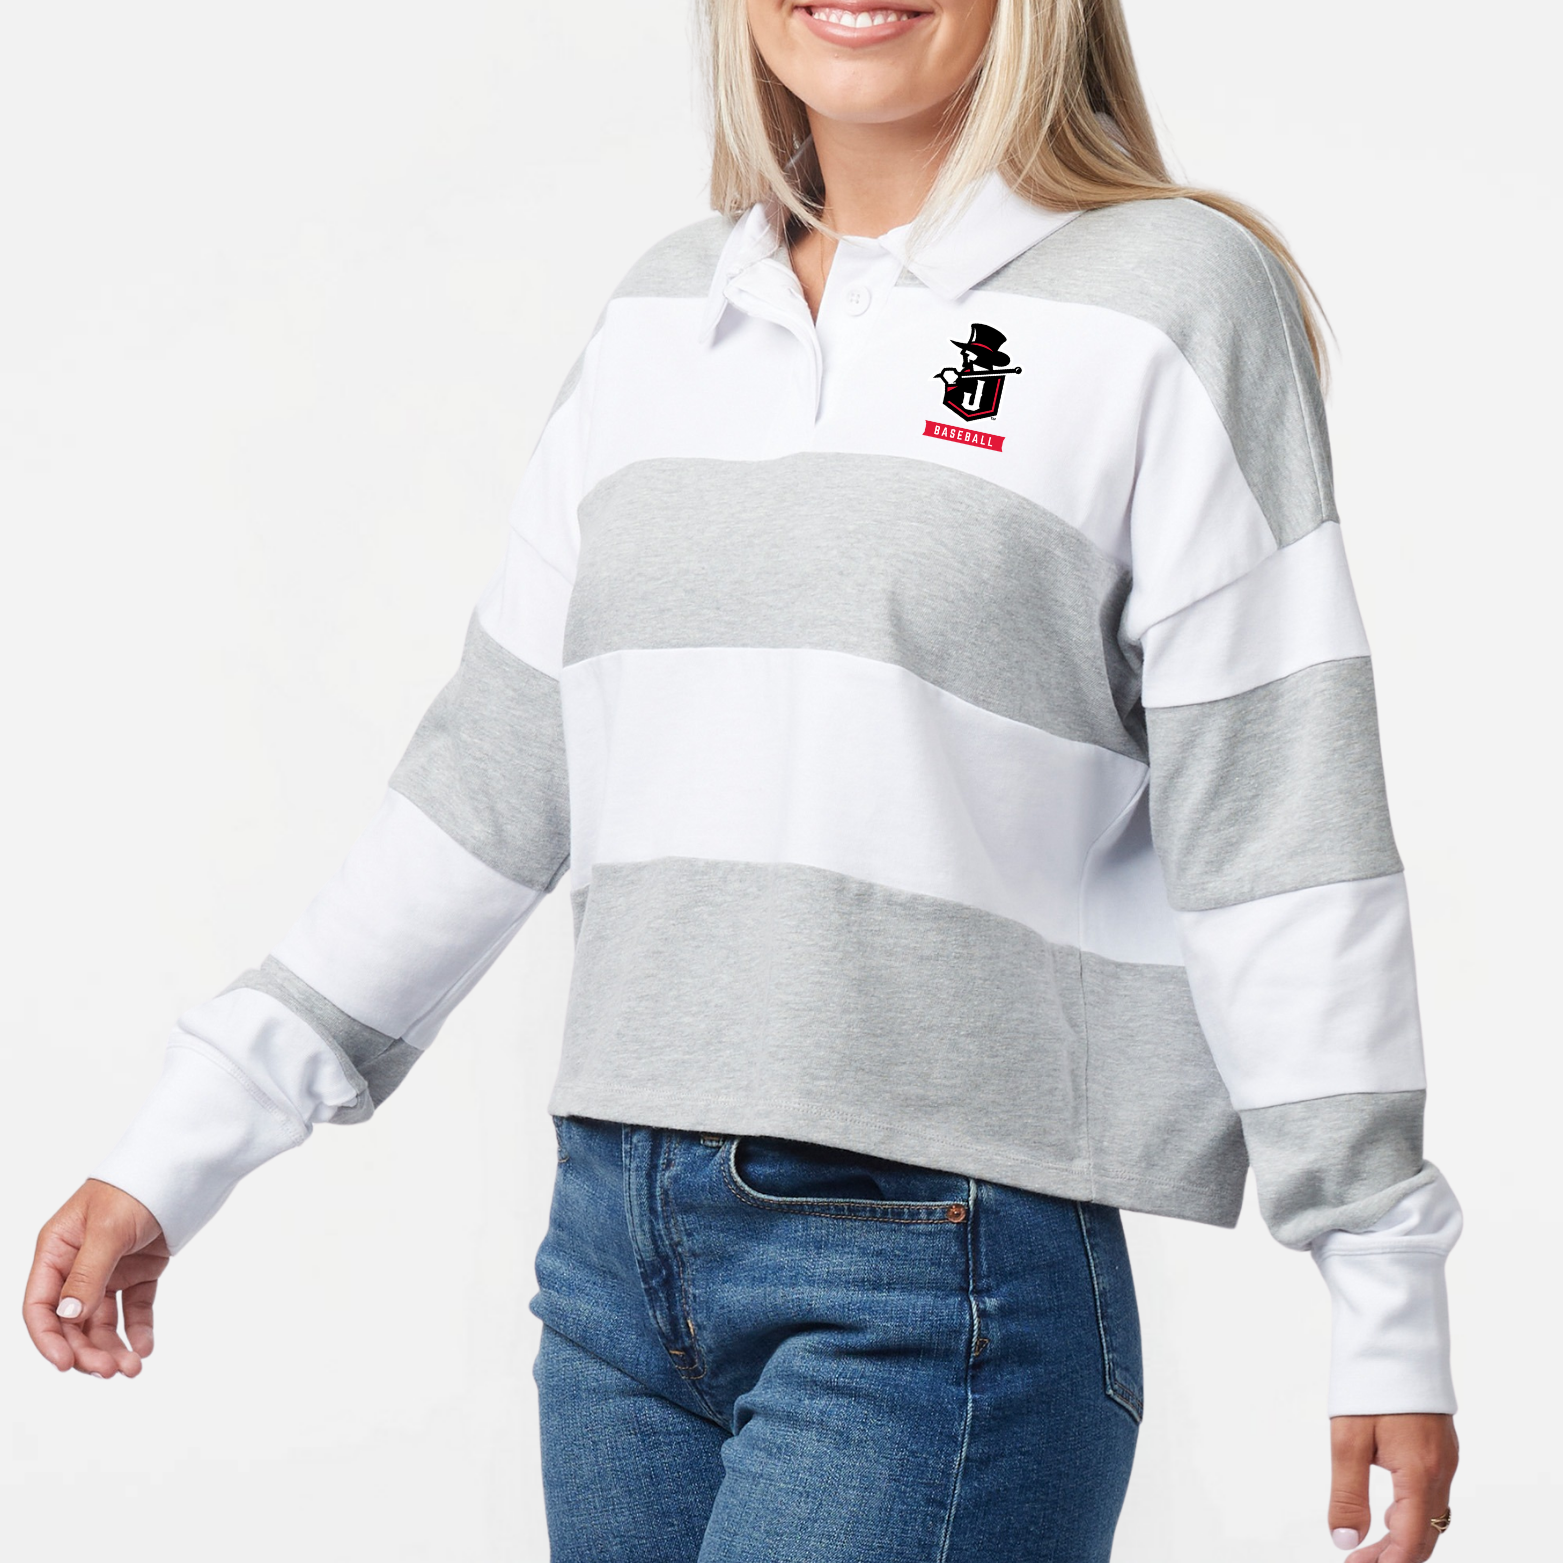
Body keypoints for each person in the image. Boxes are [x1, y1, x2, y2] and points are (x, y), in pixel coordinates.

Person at [23, 2, 1462, 1558]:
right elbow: (491, 781)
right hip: (613, 1262)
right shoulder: (662, 314)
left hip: (938, 1265)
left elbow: (1275, 813)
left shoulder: (1168, 294)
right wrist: (188, 1139)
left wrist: (1381, 1282)